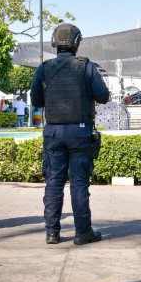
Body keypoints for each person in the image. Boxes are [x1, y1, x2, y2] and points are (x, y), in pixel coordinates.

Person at [30, 23, 110, 245]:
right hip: (80, 132)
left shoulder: (44, 68)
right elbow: (103, 96)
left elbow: (36, 101)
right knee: (79, 183)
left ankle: (52, 232)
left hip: (53, 132)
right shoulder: (86, 67)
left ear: (55, 42)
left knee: (53, 182)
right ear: (76, 43)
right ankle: (82, 232)